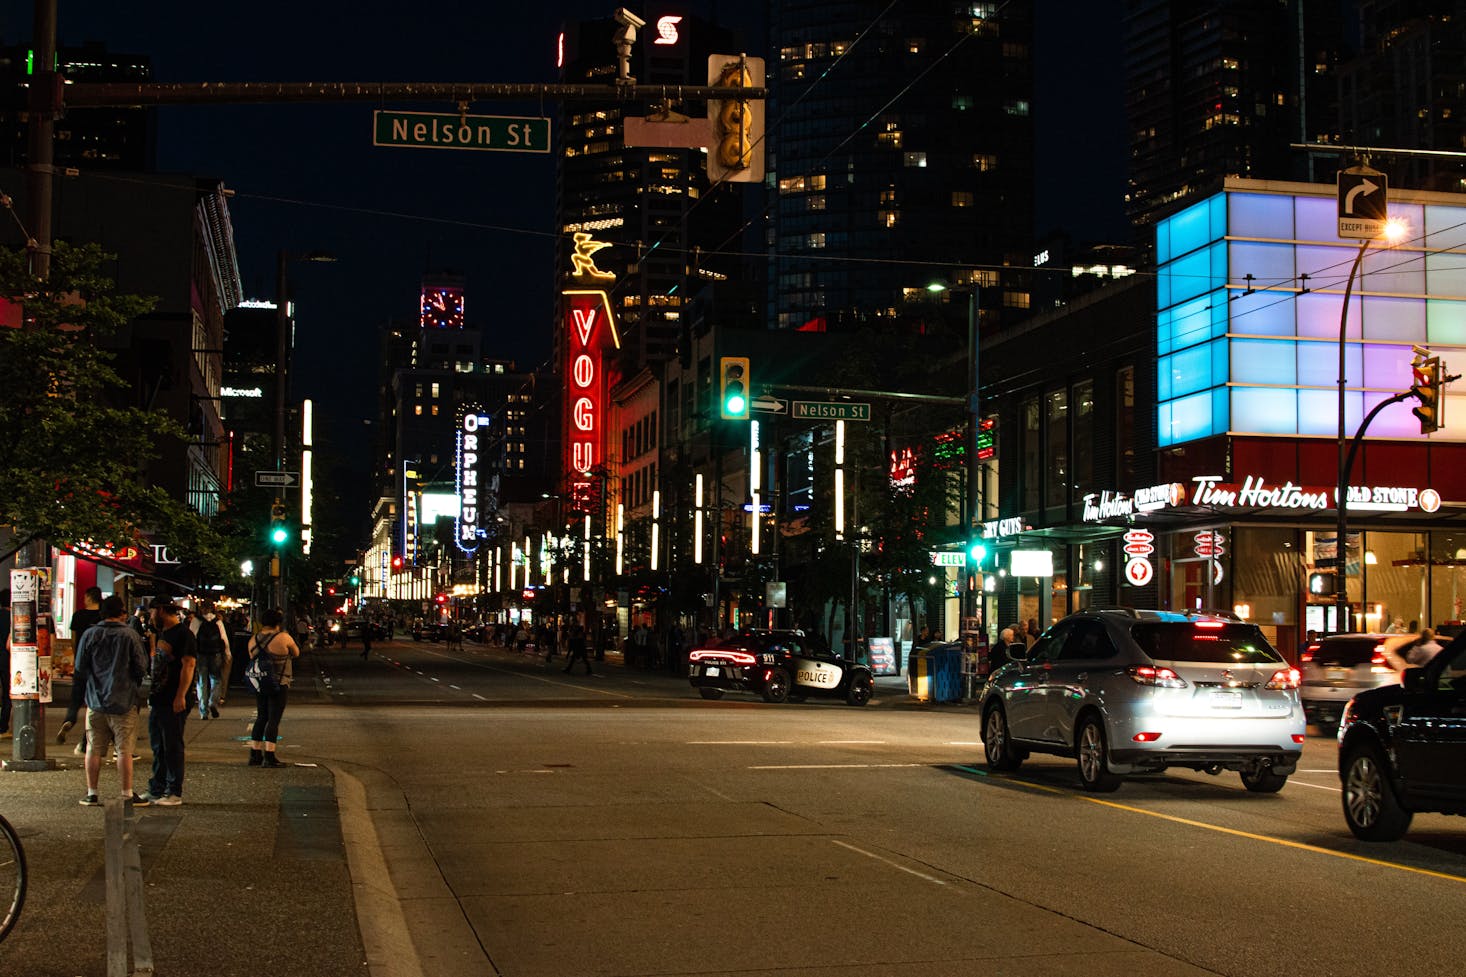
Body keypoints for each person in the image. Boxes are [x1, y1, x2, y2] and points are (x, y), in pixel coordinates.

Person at [73, 595, 150, 807]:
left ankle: (92, 793)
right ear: (122, 613)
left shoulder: (90, 634)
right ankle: (126, 793)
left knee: (93, 748)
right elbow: (141, 667)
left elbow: (80, 667)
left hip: (95, 700)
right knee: (124, 750)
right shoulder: (130, 635)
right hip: (124, 700)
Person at [142, 597, 196, 806]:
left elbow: (189, 664)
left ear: (162, 610)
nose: (151, 615)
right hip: (159, 697)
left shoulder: (183, 634)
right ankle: (157, 787)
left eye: (153, 611)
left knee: (172, 744)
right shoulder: (165, 633)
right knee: (158, 744)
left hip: (173, 697)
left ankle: (174, 791)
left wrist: (181, 694)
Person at [247, 609, 301, 767]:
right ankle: (269, 756)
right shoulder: (283, 637)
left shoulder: (253, 639)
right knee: (273, 719)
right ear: (278, 623)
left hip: (260, 683)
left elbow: (252, 658)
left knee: (261, 716)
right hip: (279, 682)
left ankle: (255, 754)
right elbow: (296, 652)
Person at [59, 586, 104, 751]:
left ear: (89, 597)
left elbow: (73, 639)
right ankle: (85, 740)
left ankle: (69, 719)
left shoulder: (78, 615)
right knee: (92, 703)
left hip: (81, 663)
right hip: (98, 666)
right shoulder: (102, 617)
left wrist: (77, 654)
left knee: (76, 697)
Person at [189, 601, 230, 719]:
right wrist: (227, 654)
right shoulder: (218, 622)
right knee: (216, 679)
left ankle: (203, 711)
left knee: (202, 681)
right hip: (215, 653)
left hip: (201, 654)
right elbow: (224, 639)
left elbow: (191, 638)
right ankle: (213, 702)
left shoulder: (196, 621)